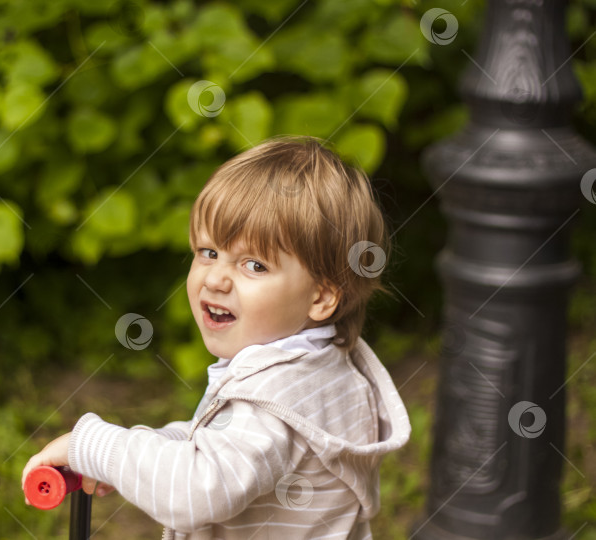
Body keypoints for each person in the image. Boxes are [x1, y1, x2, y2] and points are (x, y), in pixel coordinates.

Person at [22, 135, 411, 539]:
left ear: (321, 296)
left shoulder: (273, 403)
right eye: (208, 252)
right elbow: (217, 446)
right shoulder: (325, 372)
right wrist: (138, 455)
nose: (216, 278)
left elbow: (196, 490)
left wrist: (94, 446)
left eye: (254, 265)